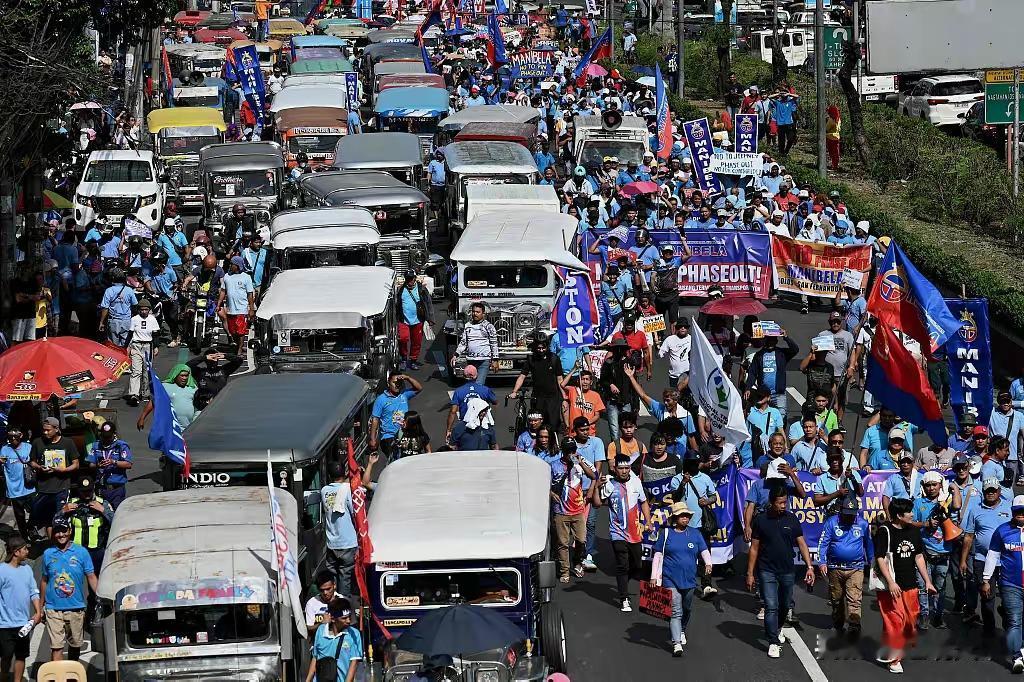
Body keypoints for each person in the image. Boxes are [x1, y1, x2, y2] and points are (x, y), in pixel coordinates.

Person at [746, 486, 816, 659]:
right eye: (780, 503)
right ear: (771, 502)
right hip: (766, 570)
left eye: (785, 502)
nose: (784, 505)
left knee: (785, 605)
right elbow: (754, 548)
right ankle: (773, 642)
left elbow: (802, 544)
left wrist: (809, 567)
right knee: (771, 606)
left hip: (787, 570)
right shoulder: (761, 520)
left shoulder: (791, 519)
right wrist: (750, 573)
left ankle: (777, 628)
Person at [873, 497, 937, 674]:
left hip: (910, 585)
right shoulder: (885, 531)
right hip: (891, 587)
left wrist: (927, 581)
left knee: (909, 622)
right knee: (896, 621)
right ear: (899, 515)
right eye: (909, 512)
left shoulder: (914, 531)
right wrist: (891, 582)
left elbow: (918, 557)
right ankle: (894, 660)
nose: (912, 515)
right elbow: (880, 558)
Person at [591, 454, 652, 612]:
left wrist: (648, 521)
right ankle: (624, 598)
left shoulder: (636, 482)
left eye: (627, 468)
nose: (624, 471)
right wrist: (597, 487)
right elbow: (597, 504)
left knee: (637, 565)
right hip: (617, 532)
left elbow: (644, 502)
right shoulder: (609, 484)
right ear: (615, 469)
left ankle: (622, 581)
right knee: (622, 564)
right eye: (621, 468)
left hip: (635, 532)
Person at [651, 501, 711, 656]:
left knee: (686, 608)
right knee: (676, 610)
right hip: (670, 578)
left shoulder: (695, 534)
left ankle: (682, 629)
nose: (685, 518)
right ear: (675, 518)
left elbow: (704, 550)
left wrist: (708, 563)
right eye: (682, 516)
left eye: (687, 515)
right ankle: (676, 643)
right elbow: (657, 555)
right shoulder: (666, 534)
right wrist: (653, 577)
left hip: (689, 580)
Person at [960, 478, 1013, 634]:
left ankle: (1008, 622)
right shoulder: (975, 510)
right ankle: (989, 629)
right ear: (983, 492)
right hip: (982, 559)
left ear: (999, 492)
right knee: (986, 595)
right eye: (987, 490)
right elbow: (968, 536)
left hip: (1006, 560)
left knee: (1009, 595)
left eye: (993, 490)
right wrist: (963, 560)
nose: (990, 493)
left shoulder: (1009, 508)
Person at [40, 518, 97, 661]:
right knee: (56, 647)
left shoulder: (81, 552)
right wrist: (40, 607)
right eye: (57, 531)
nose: (61, 535)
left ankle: (71, 671)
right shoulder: (48, 554)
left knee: (75, 645)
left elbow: (91, 577)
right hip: (53, 609)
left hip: (76, 608)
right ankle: (58, 673)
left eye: (64, 531)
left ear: (70, 531)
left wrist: (102, 598)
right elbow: (44, 580)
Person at [817, 497, 873, 638]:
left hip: (856, 567)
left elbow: (869, 545)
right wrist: (822, 562)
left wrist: (872, 563)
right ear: (841, 510)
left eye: (852, 514)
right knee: (836, 598)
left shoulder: (862, 523)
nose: (849, 517)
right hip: (835, 567)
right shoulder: (831, 522)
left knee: (854, 598)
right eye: (847, 513)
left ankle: (854, 625)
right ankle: (838, 623)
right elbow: (823, 543)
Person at [981, 494, 1024, 672]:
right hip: (1010, 583)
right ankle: (1017, 657)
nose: (1021, 514)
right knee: (1014, 620)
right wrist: (986, 579)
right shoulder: (1002, 531)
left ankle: (1021, 646)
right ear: (1012, 511)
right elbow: (992, 555)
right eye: (1017, 511)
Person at [670, 453, 719, 598]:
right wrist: (683, 483)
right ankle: (681, 583)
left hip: (701, 524)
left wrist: (707, 501)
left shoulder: (705, 478)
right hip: (682, 526)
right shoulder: (677, 479)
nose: (693, 465)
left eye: (695, 463)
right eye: (690, 463)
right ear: (685, 463)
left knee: (704, 554)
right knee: (682, 555)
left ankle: (706, 585)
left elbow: (713, 496)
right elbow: (675, 497)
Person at [910, 470, 952, 630]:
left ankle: (938, 616)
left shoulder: (946, 502)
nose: (931, 488)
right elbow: (911, 523)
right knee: (922, 586)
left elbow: (957, 510)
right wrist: (925, 524)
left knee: (940, 587)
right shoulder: (918, 503)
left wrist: (953, 491)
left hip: (943, 552)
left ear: (940, 485)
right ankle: (924, 615)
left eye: (934, 485)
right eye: (928, 485)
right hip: (924, 554)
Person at [550, 439, 596, 582]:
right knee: (563, 543)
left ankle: (577, 562)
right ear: (562, 451)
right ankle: (564, 571)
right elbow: (545, 484)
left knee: (581, 540)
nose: (571, 453)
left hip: (578, 509)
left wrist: (580, 463)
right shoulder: (554, 465)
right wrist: (551, 494)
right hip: (561, 510)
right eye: (568, 451)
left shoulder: (581, 461)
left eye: (573, 450)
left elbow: (594, 475)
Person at [29, 417, 80, 539]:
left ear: (56, 429)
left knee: (61, 518)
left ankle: (63, 542)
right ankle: (52, 543)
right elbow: (32, 462)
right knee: (48, 520)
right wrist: (39, 467)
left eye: (48, 430)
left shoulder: (68, 443)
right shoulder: (37, 442)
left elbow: (76, 464)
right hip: (43, 489)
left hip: (61, 488)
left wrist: (63, 470)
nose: (45, 432)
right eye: (43, 430)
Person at [0, 535, 41, 682]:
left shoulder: (27, 569)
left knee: (21, 656)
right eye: (24, 549)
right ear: (16, 552)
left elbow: (33, 591)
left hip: (23, 623)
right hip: (4, 624)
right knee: (5, 656)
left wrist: (38, 612)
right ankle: (3, 678)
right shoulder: (2, 571)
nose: (27, 552)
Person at [571, 416, 606, 572]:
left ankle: (588, 554)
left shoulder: (597, 442)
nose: (586, 432)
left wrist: (592, 487)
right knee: (576, 524)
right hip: (575, 492)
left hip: (592, 489)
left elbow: (597, 469)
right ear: (575, 431)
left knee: (590, 523)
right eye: (582, 430)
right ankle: (576, 554)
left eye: (587, 429)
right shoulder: (571, 444)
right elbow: (573, 467)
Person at [510, 339, 565, 432]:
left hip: (552, 397)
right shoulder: (531, 359)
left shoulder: (554, 358)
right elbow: (522, 376)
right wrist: (514, 391)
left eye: (543, 348)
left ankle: (553, 440)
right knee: (537, 424)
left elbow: (559, 379)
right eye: (539, 348)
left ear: (547, 347)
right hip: (537, 396)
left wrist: (564, 396)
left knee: (553, 424)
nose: (541, 350)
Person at [305, 597, 362, 682]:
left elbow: (353, 663)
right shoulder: (321, 631)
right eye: (344, 618)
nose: (348, 621)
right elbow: (315, 658)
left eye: (349, 617)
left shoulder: (354, 634)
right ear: (332, 618)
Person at [322, 462, 357, 597]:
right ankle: (343, 603)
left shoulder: (324, 491)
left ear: (329, 475)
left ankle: (333, 600)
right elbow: (355, 513)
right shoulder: (348, 490)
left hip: (332, 542)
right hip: (348, 542)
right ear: (345, 473)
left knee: (333, 576)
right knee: (345, 576)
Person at [370, 373, 423, 460]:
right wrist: (373, 439)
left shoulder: (404, 395)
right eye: (394, 382)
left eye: (399, 383)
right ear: (388, 382)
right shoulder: (381, 399)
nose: (397, 385)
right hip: (388, 437)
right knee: (396, 461)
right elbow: (375, 419)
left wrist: (408, 378)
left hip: (405, 436)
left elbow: (419, 388)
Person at [84, 421, 132, 510]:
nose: (106, 439)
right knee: (100, 512)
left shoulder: (121, 446)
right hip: (101, 488)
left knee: (117, 512)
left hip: (116, 489)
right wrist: (98, 465)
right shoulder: (96, 445)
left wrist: (113, 462)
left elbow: (128, 464)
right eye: (104, 436)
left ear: (114, 434)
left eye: (108, 437)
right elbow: (91, 464)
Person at [445, 364, 498, 443]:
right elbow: (495, 402)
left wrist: (448, 430)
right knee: (490, 444)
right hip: (481, 424)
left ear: (464, 376)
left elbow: (453, 411)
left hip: (465, 424)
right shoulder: (485, 390)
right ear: (477, 376)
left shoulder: (458, 391)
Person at [137, 364, 198, 431]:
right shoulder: (165, 386)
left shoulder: (193, 388)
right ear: (175, 375)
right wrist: (142, 418)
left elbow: (199, 406)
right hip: (170, 428)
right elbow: (153, 401)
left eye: (186, 376)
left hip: (188, 428)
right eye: (182, 375)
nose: (184, 378)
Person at [0, 428, 35, 541]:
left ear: (21, 436)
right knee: (20, 516)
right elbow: (2, 465)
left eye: (15, 437)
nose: (13, 439)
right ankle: (24, 538)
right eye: (11, 437)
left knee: (35, 510)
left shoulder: (28, 447)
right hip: (14, 489)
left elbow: (34, 461)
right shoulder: (5, 449)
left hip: (29, 487)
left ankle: (31, 527)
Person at [451, 302, 499, 385]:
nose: (475, 314)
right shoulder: (467, 325)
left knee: (479, 384)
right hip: (471, 360)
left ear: (483, 313)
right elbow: (463, 342)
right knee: (470, 384)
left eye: (478, 312)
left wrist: (495, 359)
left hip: (483, 360)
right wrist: (456, 355)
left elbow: (494, 343)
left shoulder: (488, 326)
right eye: (473, 311)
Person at [217, 256, 255, 355]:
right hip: (230, 309)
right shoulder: (227, 276)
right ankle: (238, 345)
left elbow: (250, 294)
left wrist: (251, 309)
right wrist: (219, 304)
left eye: (232, 264)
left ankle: (239, 349)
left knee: (240, 331)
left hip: (241, 309)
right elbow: (223, 291)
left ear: (237, 266)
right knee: (233, 331)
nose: (230, 266)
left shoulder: (246, 277)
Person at [396, 270, 433, 370]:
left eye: (411, 278)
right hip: (403, 320)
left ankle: (413, 360)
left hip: (418, 320)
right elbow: (396, 304)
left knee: (417, 341)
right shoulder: (400, 290)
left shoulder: (421, 289)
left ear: (415, 278)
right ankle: (404, 359)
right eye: (408, 279)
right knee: (403, 338)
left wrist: (430, 318)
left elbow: (428, 303)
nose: (410, 281)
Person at [812, 448, 864, 517]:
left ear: (842, 460)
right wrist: (836, 494)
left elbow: (861, 493)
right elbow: (816, 502)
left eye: (837, 459)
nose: (834, 462)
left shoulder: (853, 473)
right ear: (828, 461)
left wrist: (852, 478)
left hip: (851, 515)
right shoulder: (822, 478)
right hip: (832, 515)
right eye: (832, 459)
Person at [560, 370, 605, 434]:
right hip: (574, 431)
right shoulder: (573, 390)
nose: (585, 382)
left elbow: (597, 416)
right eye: (582, 379)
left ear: (591, 382)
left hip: (589, 432)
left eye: (587, 379)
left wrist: (585, 423)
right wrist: (574, 369)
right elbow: (562, 385)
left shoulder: (596, 395)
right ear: (578, 381)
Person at [882, 448, 922, 517]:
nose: (906, 465)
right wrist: (888, 515)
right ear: (899, 464)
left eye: (908, 462)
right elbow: (886, 497)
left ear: (913, 463)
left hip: (918, 513)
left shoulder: (921, 477)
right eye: (903, 462)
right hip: (900, 515)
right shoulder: (893, 478)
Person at [659, 319, 692, 390]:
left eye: (685, 327)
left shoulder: (692, 339)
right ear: (677, 328)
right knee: (674, 395)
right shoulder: (669, 339)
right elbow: (661, 353)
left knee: (686, 394)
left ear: (687, 328)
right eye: (680, 326)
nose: (683, 328)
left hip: (687, 374)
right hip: (674, 375)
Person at [304, 571, 338, 637]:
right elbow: (309, 629)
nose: (325, 593)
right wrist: (321, 624)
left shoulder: (343, 600)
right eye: (322, 590)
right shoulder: (311, 603)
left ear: (334, 585)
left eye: (328, 589)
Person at [825, 105, 842, 171]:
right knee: (836, 152)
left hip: (830, 137)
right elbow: (839, 129)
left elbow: (827, 129)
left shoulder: (831, 120)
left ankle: (834, 165)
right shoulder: (838, 119)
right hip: (837, 137)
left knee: (831, 152)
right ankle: (835, 165)